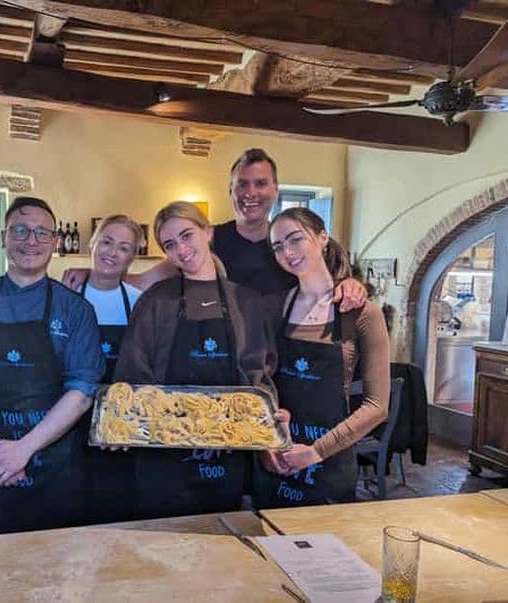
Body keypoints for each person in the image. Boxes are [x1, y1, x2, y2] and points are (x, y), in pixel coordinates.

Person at [0, 196, 104, 537]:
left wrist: (22, 451)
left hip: (55, 475)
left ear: (55, 243)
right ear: (3, 237)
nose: (31, 240)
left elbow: (83, 391)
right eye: (21, 230)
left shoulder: (76, 310)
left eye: (42, 233)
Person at [114, 201, 278, 520]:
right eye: (170, 245)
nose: (181, 250)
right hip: (163, 458)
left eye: (187, 235)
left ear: (208, 232)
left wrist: (268, 418)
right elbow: (134, 375)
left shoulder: (246, 301)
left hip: (229, 453)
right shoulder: (156, 300)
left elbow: (260, 375)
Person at [61, 148, 366, 307]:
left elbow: (331, 285)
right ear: (230, 191)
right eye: (242, 185)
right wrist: (95, 275)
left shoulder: (293, 243)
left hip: (285, 352)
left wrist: (352, 286)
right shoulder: (208, 240)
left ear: (275, 189)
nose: (251, 193)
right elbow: (142, 281)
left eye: (260, 184)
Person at [253, 207, 389, 508]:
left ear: (322, 237)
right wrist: (267, 442)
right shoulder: (274, 308)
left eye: (295, 239)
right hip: (278, 458)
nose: (287, 252)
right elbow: (259, 384)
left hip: (331, 465)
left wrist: (315, 451)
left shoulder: (362, 313)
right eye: (278, 246)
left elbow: (377, 407)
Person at [78, 215, 145, 524]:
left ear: (132, 256)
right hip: (71, 423)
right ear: (92, 244)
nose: (112, 252)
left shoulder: (140, 303)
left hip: (121, 429)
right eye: (106, 242)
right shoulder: (67, 298)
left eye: (123, 247)